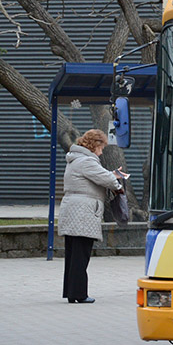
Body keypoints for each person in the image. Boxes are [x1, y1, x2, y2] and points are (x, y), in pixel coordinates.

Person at [58, 129, 127, 304]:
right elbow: (107, 180)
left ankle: (71, 292)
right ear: (94, 145)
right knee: (81, 255)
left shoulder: (77, 160)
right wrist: (116, 181)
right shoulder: (87, 161)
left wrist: (112, 175)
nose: (102, 151)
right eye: (101, 147)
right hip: (83, 212)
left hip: (73, 209)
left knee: (73, 254)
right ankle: (80, 294)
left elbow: (98, 176)